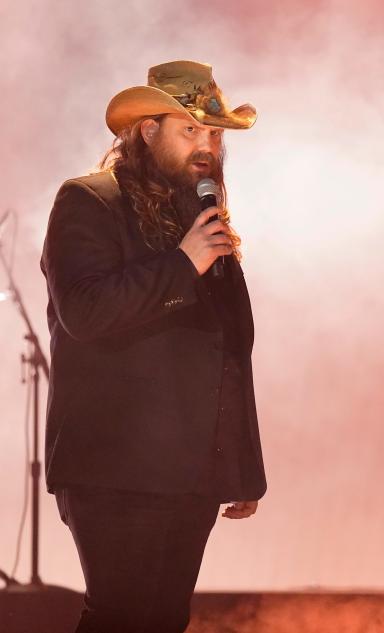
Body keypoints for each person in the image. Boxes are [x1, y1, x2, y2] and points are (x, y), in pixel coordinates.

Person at [41, 60, 267, 633]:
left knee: (165, 620)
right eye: (190, 129)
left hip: (190, 471)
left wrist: (241, 466)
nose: (207, 145)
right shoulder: (88, 201)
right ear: (147, 130)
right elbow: (85, 313)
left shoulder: (200, 214)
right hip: (114, 467)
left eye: (214, 133)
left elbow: (230, 349)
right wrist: (182, 264)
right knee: (122, 618)